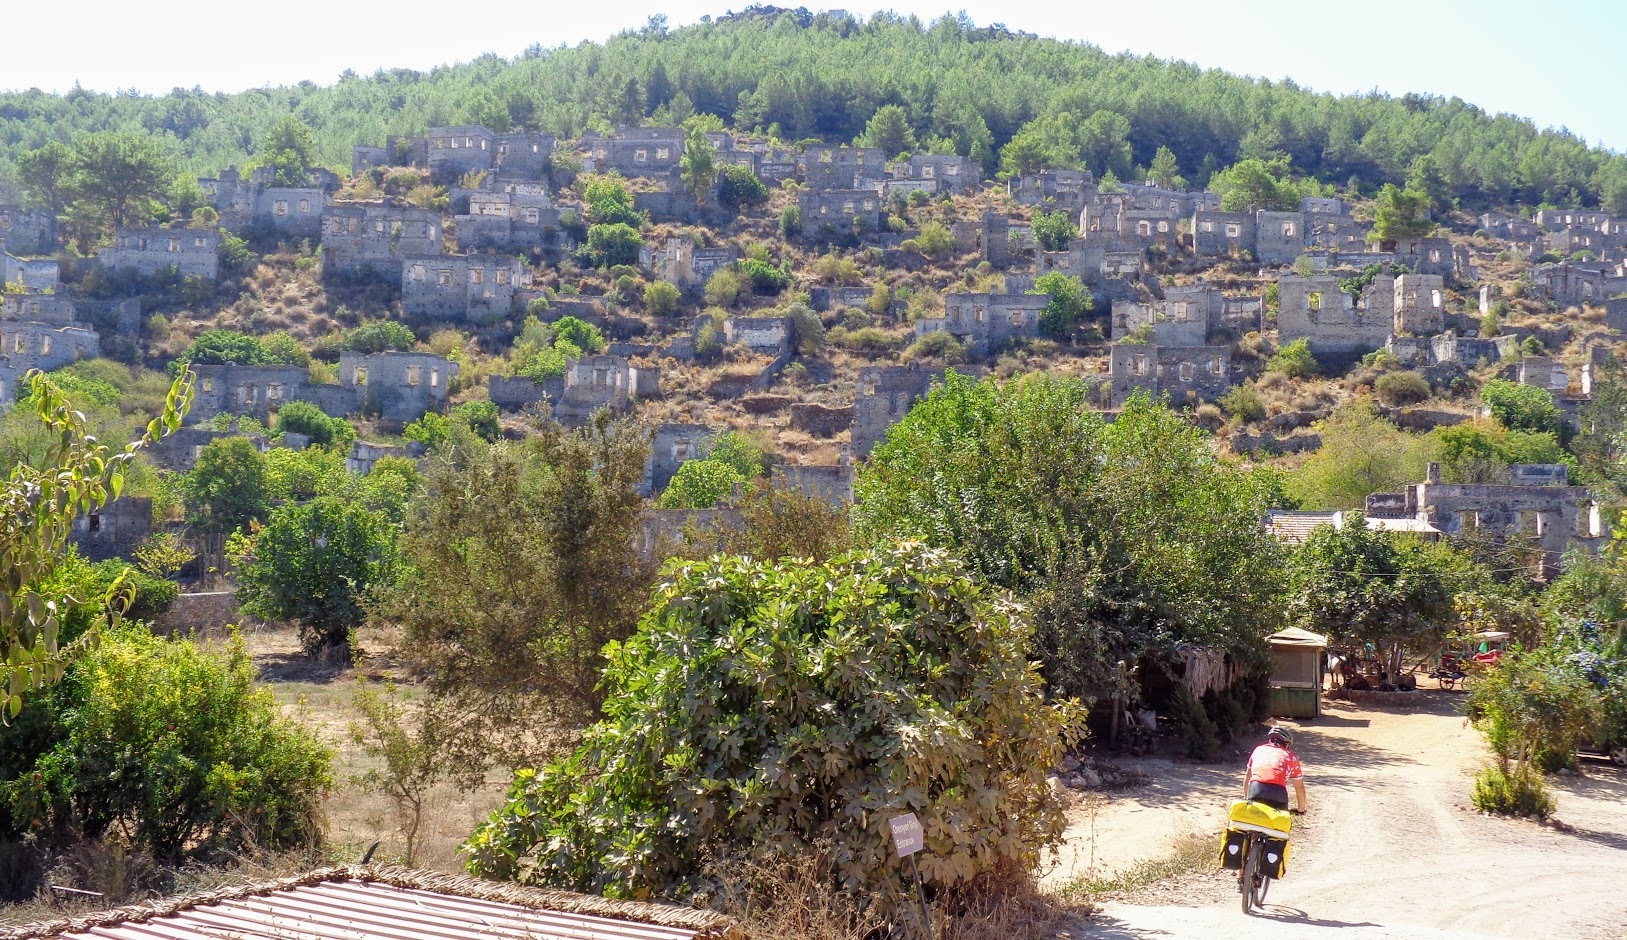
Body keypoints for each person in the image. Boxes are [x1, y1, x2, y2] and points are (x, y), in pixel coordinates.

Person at [1242, 726, 1307, 814]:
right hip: (1278, 792)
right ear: (1287, 744)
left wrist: (1246, 798)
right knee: (1279, 824)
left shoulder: (1258, 750)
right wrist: (1301, 810)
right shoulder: (1290, 756)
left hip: (1256, 788)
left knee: (1252, 818)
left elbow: (1248, 777)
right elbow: (1299, 787)